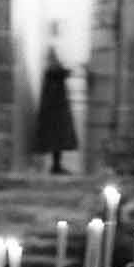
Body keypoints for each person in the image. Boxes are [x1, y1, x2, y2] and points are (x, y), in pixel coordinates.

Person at [31, 37, 77, 175]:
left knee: (57, 143)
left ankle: (56, 165)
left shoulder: (52, 72)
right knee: (56, 141)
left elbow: (63, 73)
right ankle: (55, 166)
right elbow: (62, 73)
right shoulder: (52, 72)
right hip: (55, 113)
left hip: (55, 112)